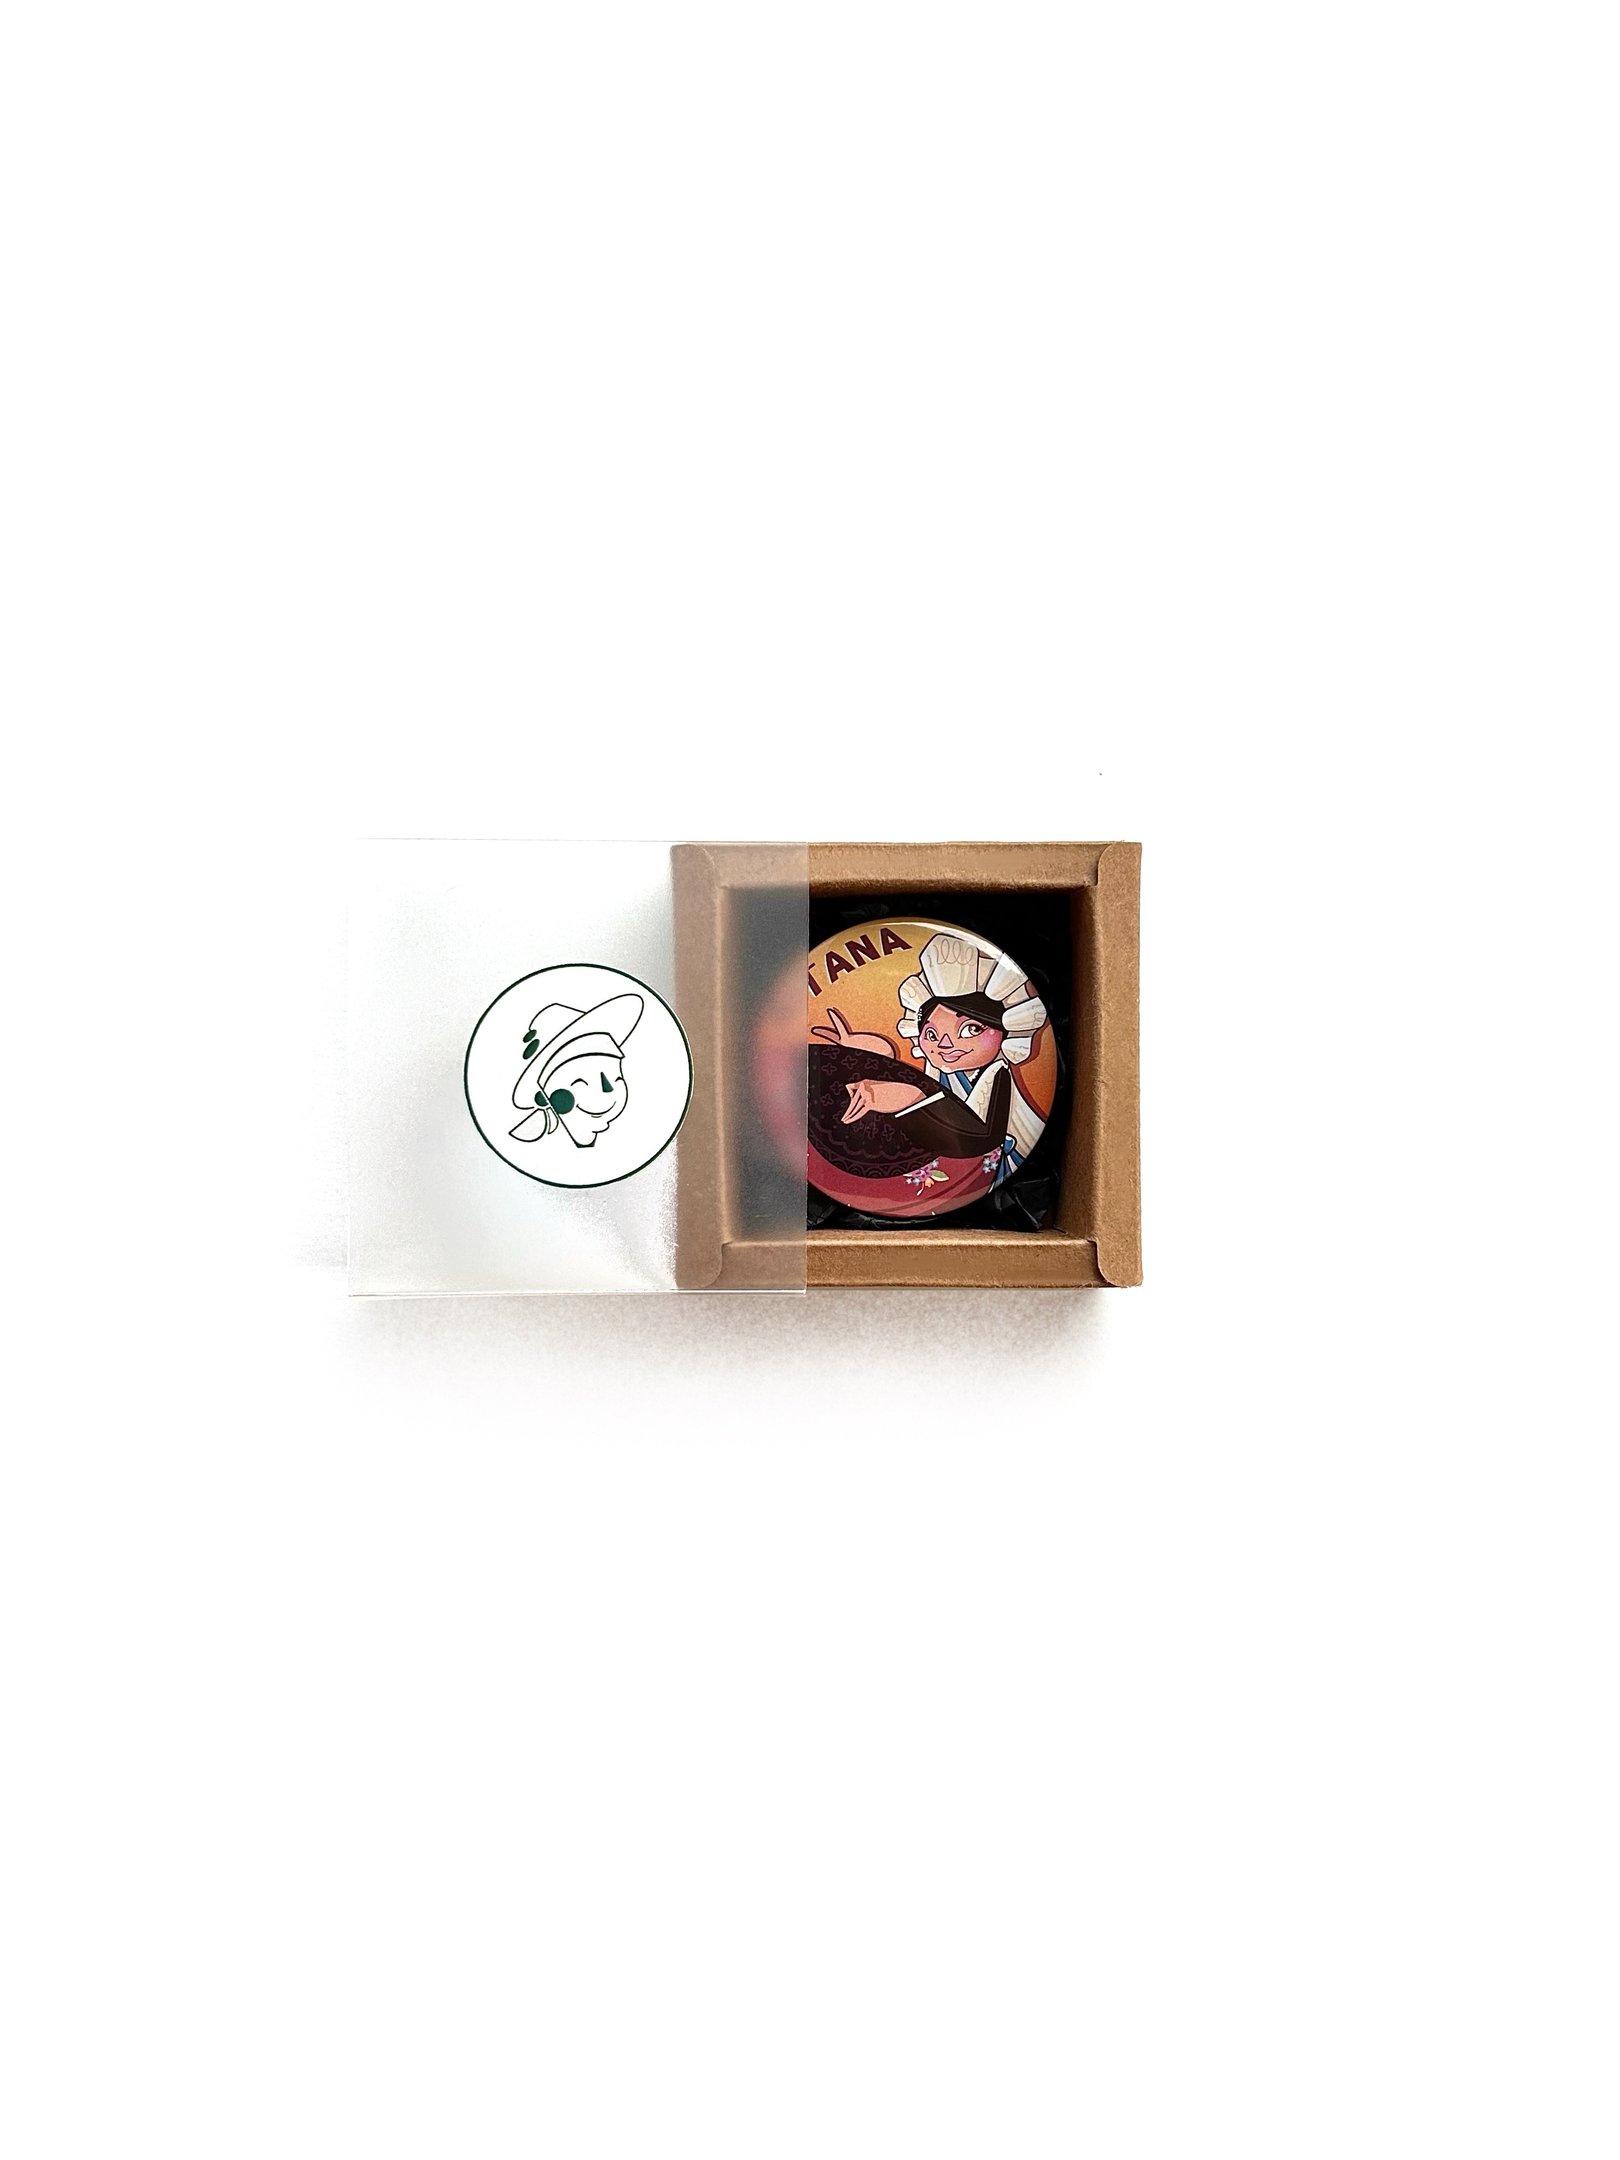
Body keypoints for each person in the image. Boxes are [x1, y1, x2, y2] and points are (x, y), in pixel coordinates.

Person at [811, 932, 1047, 1182]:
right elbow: (909, 1078)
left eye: (971, 1029)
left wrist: (912, 1099)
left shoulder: (997, 1076)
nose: (944, 1044)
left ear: (1004, 1031)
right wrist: (872, 1054)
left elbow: (982, 1137)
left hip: (974, 1174)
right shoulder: (943, 1068)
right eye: (931, 1034)